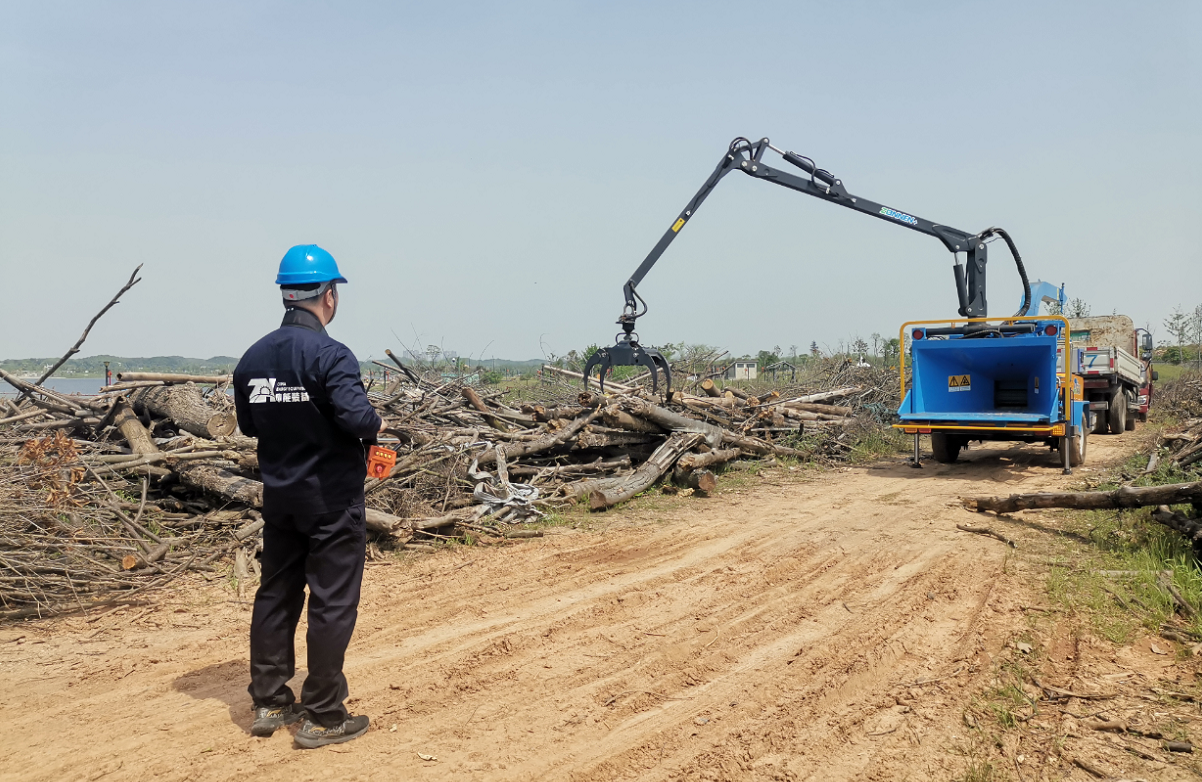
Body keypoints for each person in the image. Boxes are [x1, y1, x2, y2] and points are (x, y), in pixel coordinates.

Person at [233, 244, 383, 748]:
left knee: (275, 595)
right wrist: (380, 425)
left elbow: (249, 424)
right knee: (332, 603)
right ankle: (323, 714)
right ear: (329, 295)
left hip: (280, 500)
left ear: (285, 293)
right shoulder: (331, 355)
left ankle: (271, 702)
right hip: (331, 502)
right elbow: (359, 419)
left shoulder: (253, 357)